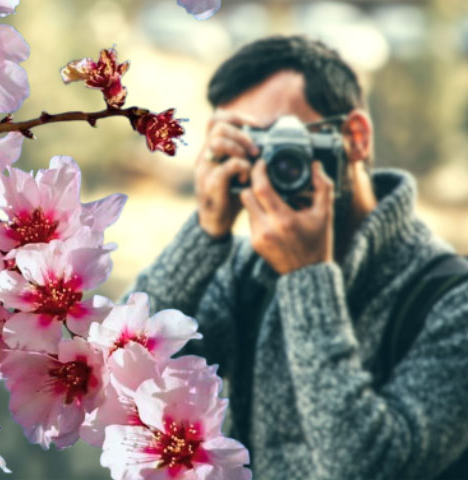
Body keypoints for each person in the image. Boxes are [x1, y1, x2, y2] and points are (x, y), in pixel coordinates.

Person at [122, 35, 468, 479]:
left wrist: (308, 277)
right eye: (251, 145)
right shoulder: (245, 276)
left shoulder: (451, 302)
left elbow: (373, 466)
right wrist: (206, 231)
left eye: (288, 142)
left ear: (355, 138)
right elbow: (131, 373)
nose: (272, 166)